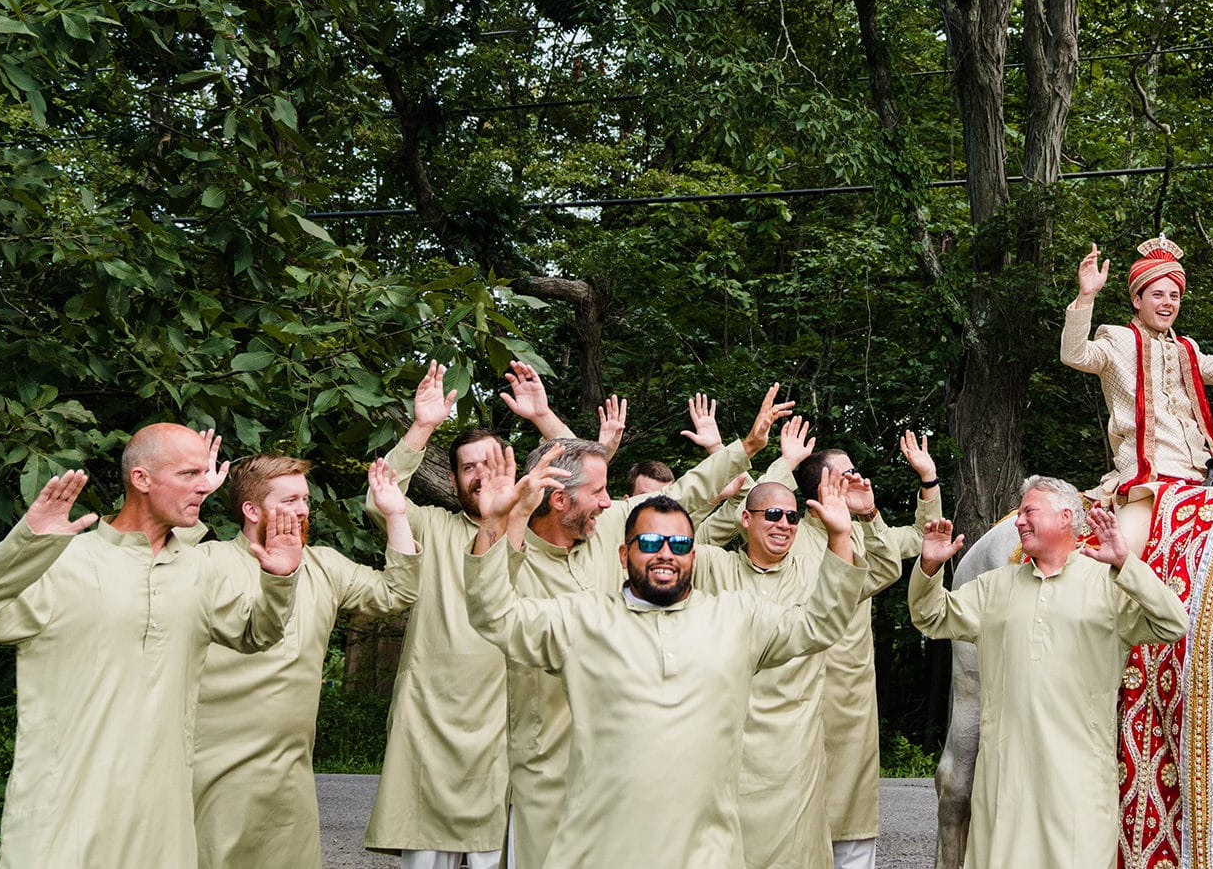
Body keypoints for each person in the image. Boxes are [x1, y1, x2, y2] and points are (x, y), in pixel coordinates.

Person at [464, 451, 873, 868]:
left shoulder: (736, 618)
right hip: (600, 850)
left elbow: (819, 625)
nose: (665, 553)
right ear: (623, 556)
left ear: (693, 556)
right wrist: (494, 523)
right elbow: (495, 617)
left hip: (707, 853)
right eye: (649, 543)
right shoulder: (581, 620)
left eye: (679, 544)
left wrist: (840, 537)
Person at [0, 425, 302, 869]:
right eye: (189, 473)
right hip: (62, 823)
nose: (206, 484)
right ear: (142, 480)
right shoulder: (61, 561)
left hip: (162, 825)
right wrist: (27, 542)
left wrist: (280, 580)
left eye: (204, 473)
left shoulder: (200, 571)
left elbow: (256, 634)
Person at [492, 371, 786, 869]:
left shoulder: (608, 528)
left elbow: (681, 493)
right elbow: (494, 609)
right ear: (558, 503)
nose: (610, 502)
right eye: (600, 495)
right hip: (547, 762)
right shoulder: (511, 552)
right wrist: (512, 517)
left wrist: (748, 446)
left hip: (627, 763)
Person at [908, 475, 1189, 869]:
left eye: (1028, 511)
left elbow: (1173, 624)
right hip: (1003, 788)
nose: (1019, 521)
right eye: (1019, 513)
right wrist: (928, 568)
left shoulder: (1109, 587)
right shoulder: (993, 587)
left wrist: (1127, 564)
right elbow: (930, 616)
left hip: (1077, 791)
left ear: (1065, 517)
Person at [703, 424, 943, 869]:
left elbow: (896, 557)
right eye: (845, 474)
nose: (858, 479)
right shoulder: (772, 545)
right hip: (769, 709)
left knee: (845, 821)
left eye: (789, 517)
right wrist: (777, 460)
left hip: (842, 698)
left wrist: (914, 490)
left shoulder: (847, 540)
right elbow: (755, 503)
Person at [194, 454, 421, 869]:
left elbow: (397, 593)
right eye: (290, 500)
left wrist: (396, 514)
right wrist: (194, 501)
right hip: (212, 768)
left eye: (305, 500)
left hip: (291, 770)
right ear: (251, 509)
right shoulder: (208, 563)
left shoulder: (325, 565)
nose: (302, 510)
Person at [1062, 235, 1213, 563]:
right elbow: (1074, 354)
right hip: (1147, 479)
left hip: (1209, 475)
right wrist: (1086, 296)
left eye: (1174, 295)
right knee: (1121, 556)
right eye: (1158, 294)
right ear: (1137, 299)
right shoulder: (1117, 340)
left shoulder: (1187, 351)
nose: (1168, 303)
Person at [368, 365, 515, 869]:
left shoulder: (537, 535)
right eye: (469, 467)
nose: (480, 475)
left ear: (510, 468)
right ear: (453, 479)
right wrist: (423, 427)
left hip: (503, 724)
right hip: (429, 717)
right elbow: (381, 500)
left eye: (490, 463)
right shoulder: (431, 525)